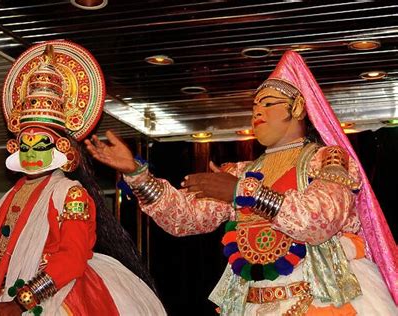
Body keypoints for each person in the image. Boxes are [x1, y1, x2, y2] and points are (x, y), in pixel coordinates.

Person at [85, 51, 397, 315]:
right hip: (255, 303)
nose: (257, 111)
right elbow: (184, 217)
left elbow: (318, 220)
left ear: (298, 108)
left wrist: (241, 193)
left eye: (269, 103)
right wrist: (138, 174)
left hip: (322, 299)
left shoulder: (327, 159)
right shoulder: (241, 171)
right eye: (254, 106)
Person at [0, 40, 165, 316]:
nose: (31, 153)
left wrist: (21, 302)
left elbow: (72, 258)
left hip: (51, 294)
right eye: (25, 145)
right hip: (5, 293)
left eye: (41, 145)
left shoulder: (71, 194)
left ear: (61, 148)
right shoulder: (11, 197)